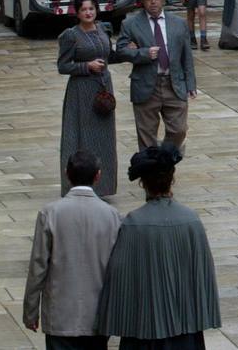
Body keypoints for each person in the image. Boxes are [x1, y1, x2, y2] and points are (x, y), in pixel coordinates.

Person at [95, 143, 220, 348]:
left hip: (143, 332)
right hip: (185, 331)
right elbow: (202, 276)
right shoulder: (191, 220)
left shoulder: (133, 223)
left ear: (143, 183)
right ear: (172, 179)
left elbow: (119, 278)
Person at [23, 150, 122, 350]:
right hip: (98, 315)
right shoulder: (112, 216)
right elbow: (119, 270)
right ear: (98, 175)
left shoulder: (50, 213)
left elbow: (38, 266)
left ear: (67, 173)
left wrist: (31, 311)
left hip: (60, 316)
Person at [58, 0, 132, 197]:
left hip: (103, 90)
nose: (88, 13)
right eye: (84, 10)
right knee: (81, 138)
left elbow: (109, 56)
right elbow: (63, 66)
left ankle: (104, 187)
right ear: (77, 13)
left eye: (91, 8)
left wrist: (131, 51)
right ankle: (78, 186)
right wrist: (86, 66)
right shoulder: (71, 36)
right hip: (81, 92)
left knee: (104, 139)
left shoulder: (103, 30)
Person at [116, 0, 196, 151]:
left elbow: (186, 56)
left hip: (173, 84)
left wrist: (191, 84)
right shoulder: (130, 24)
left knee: (179, 130)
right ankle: (151, 172)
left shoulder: (178, 23)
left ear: (163, 0)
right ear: (142, 2)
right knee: (147, 137)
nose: (153, 1)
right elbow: (120, 51)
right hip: (145, 86)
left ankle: (164, 159)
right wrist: (143, 53)